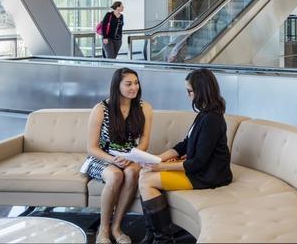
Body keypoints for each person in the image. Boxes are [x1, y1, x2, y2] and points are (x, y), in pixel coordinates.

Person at [139, 68, 233, 244]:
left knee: (147, 181)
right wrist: (157, 159)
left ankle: (163, 239)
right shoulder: (204, 114)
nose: (188, 95)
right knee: (144, 174)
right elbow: (184, 145)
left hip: (208, 176)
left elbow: (198, 162)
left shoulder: (212, 119)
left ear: (201, 90)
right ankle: (153, 232)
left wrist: (161, 166)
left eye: (189, 91)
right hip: (198, 170)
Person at [83, 68, 152, 244]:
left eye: (136, 83)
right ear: (117, 86)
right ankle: (103, 229)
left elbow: (144, 141)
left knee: (131, 173)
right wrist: (113, 160)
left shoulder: (145, 108)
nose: (134, 87)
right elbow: (91, 147)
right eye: (128, 84)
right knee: (115, 175)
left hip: (131, 157)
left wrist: (132, 157)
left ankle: (116, 227)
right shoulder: (101, 109)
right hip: (103, 158)